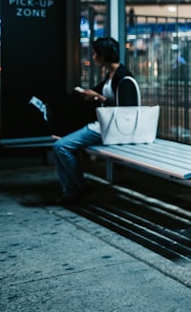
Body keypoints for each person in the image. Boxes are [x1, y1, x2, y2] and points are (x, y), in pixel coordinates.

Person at [49, 37, 138, 204]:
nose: (93, 56)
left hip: (112, 129)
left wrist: (98, 98)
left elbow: (127, 110)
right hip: (105, 126)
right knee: (59, 146)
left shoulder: (124, 78)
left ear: (103, 55)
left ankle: (79, 187)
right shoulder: (111, 76)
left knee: (61, 146)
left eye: (96, 53)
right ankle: (70, 191)